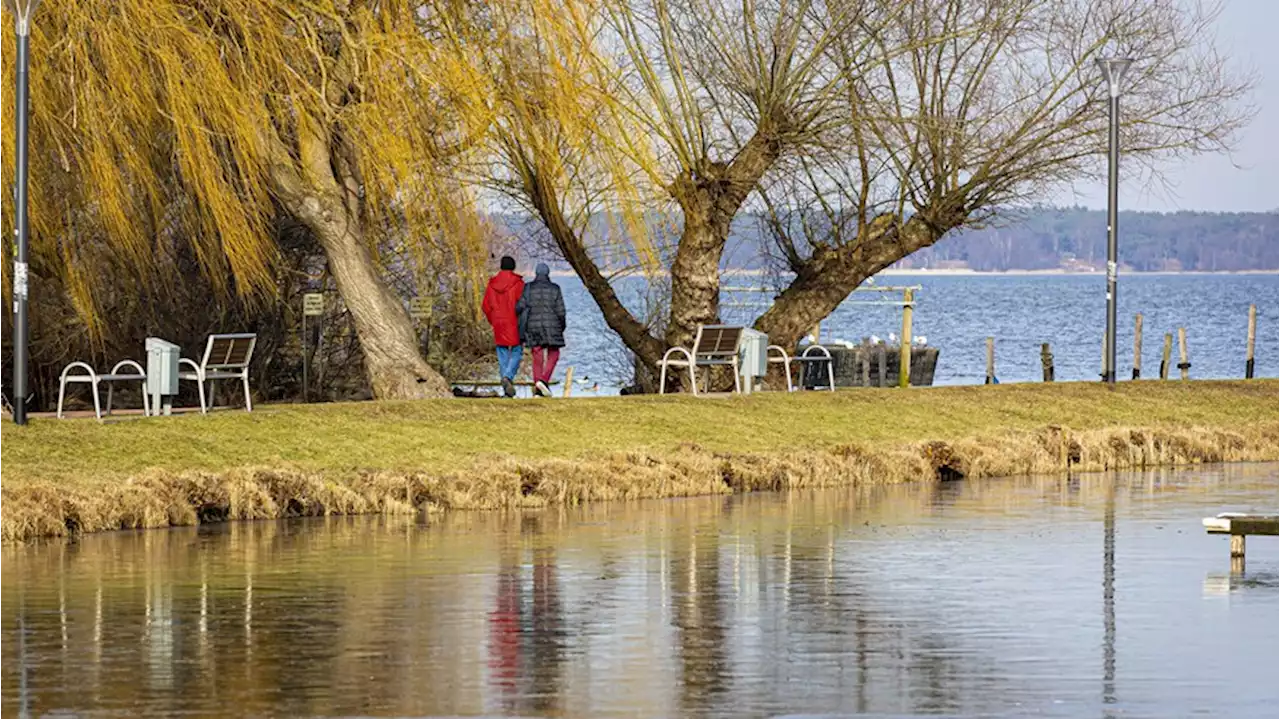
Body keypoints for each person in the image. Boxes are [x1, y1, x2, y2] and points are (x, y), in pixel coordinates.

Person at [516, 262, 566, 398]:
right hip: (553, 325)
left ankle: (538, 387)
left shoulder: (528, 288)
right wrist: (562, 327)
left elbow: (519, 307)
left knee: (537, 355)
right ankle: (544, 380)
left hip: (533, 326)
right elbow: (561, 311)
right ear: (548, 273)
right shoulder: (555, 288)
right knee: (554, 353)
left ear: (536, 274)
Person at [482, 256, 525, 398]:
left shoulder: (492, 284)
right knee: (517, 350)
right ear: (513, 267)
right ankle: (508, 377)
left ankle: (505, 387)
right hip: (514, 321)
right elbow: (524, 305)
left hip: (499, 321)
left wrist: (493, 320)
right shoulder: (518, 283)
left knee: (502, 353)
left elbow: (486, 306)